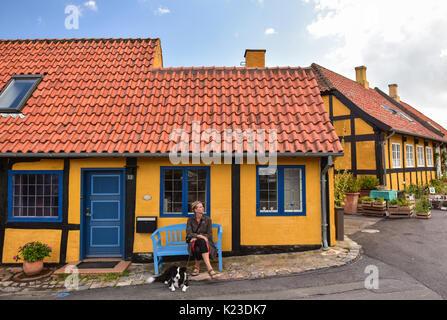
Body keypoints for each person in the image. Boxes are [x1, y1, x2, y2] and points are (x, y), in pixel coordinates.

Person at [186, 201, 218, 279]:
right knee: (200, 241)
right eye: (200, 207)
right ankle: (209, 268)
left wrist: (199, 237)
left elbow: (209, 235)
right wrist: (199, 236)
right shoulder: (190, 220)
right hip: (193, 242)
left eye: (202, 206)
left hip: (206, 242)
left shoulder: (207, 219)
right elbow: (189, 233)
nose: (202, 208)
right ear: (195, 210)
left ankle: (197, 267)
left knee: (199, 245)